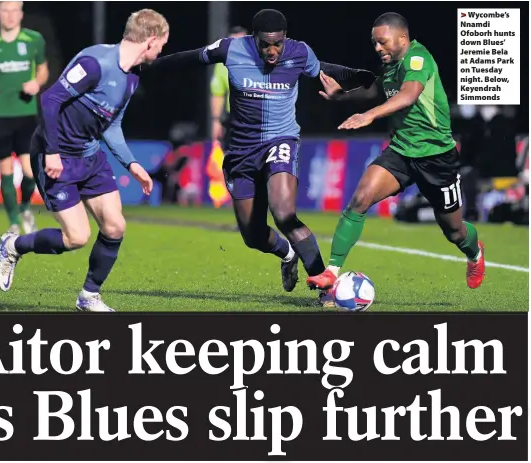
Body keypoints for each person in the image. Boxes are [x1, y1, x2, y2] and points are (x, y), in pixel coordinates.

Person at [144, 9, 374, 293]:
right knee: (253, 236)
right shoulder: (231, 49)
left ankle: (324, 286)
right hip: (241, 151)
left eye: (278, 43)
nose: (272, 50)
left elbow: (326, 69)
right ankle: (288, 254)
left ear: (285, 37)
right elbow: (190, 58)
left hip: (281, 141)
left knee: (284, 213)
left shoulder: (299, 53)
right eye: (266, 44)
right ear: (255, 39)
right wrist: (148, 65)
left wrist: (362, 77)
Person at [0, 9, 168, 312]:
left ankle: (89, 296)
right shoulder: (95, 62)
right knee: (76, 237)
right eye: (163, 43)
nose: (162, 50)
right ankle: (12, 247)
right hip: (56, 156)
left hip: (91, 157)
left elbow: (110, 125)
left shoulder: (132, 78)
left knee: (114, 226)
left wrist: (131, 163)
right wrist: (52, 151)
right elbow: (50, 99)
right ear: (151, 40)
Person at [306, 12, 485, 301]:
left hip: (437, 157)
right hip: (401, 152)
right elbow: (377, 89)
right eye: (374, 43)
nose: (378, 48)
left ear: (402, 38)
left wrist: (368, 116)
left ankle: (475, 253)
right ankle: (332, 271)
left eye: (382, 42)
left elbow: (409, 94)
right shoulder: (390, 65)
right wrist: (343, 95)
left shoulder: (418, 59)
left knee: (454, 230)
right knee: (360, 198)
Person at [0, 1, 49, 235]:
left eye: (15, 10)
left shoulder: (34, 40)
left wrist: (37, 82)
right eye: (6, 10)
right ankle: (14, 221)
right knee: (5, 170)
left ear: (21, 14)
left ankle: (24, 208)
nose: (10, 15)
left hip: (26, 113)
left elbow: (43, 69)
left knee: (30, 171)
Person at [210, 25, 248, 149]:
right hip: (233, 118)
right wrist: (216, 121)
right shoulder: (222, 65)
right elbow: (218, 94)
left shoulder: (260, 62)